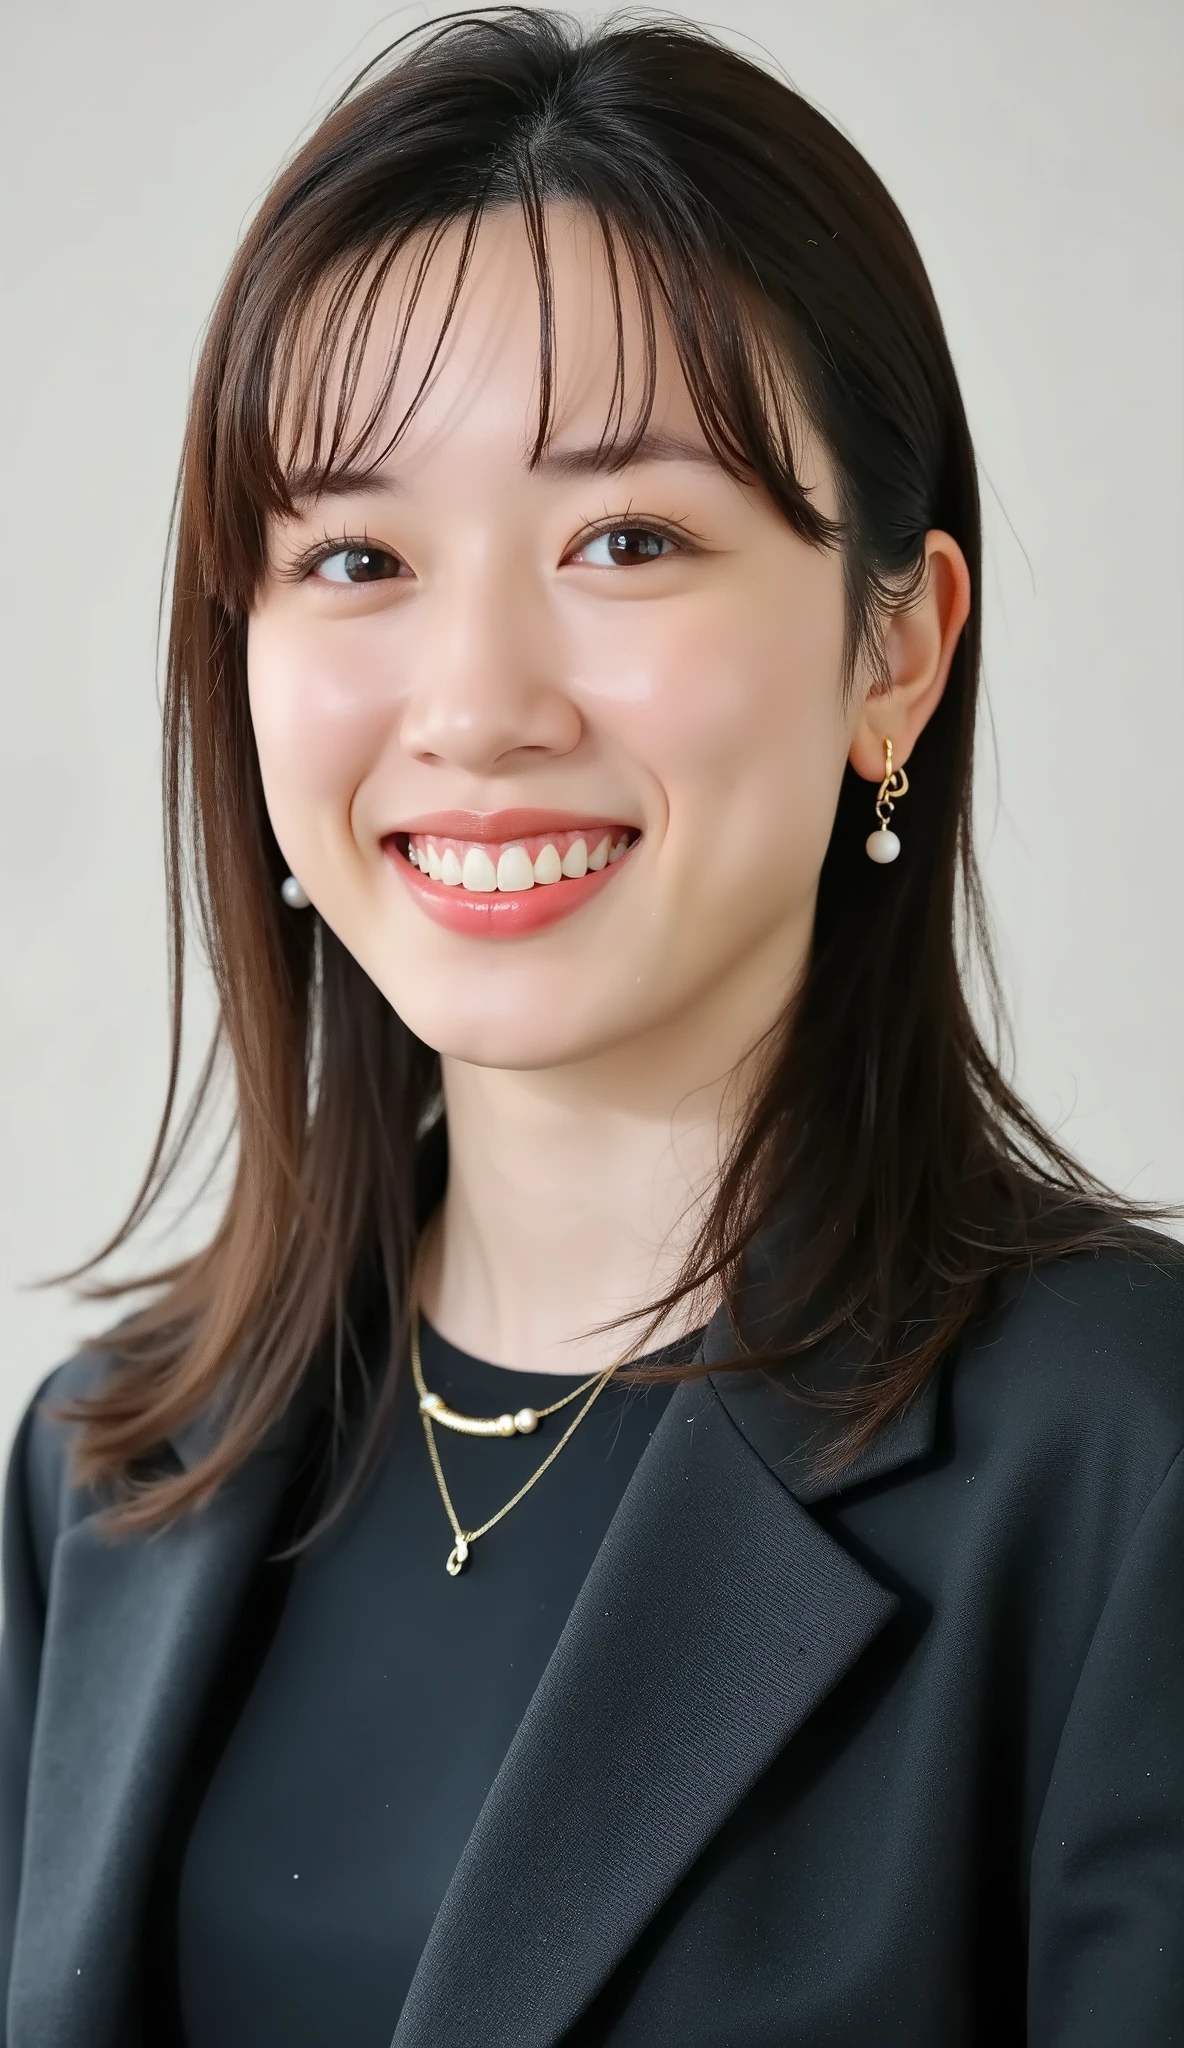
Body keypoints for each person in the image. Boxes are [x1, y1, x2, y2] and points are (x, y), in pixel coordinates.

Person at [1, 9, 1181, 2045]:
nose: (475, 700)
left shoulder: (1126, 1462)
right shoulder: (112, 1466)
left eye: (626, 540)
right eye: (353, 555)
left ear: (891, 649)